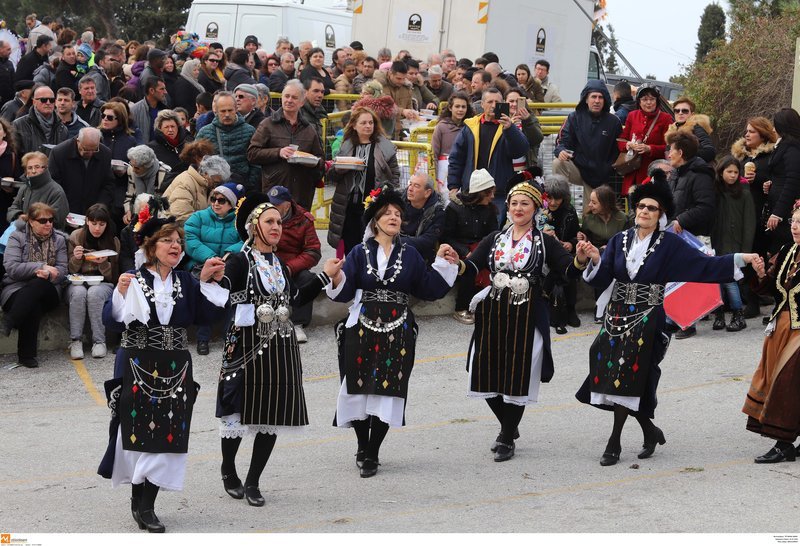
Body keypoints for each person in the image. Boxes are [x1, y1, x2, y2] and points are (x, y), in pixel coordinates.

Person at [575, 178, 762, 466]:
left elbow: (704, 265)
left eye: (652, 208)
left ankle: (614, 443)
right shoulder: (619, 240)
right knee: (612, 372)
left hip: (648, 318)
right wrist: (594, 259)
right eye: (641, 206)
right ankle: (650, 431)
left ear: (660, 214)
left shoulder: (669, 244)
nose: (644, 211)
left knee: (629, 375)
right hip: (616, 317)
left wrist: (741, 258)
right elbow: (602, 278)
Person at [98, 213, 227, 533]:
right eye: (167, 240)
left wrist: (209, 281)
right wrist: (120, 292)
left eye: (178, 241)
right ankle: (137, 497)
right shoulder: (133, 278)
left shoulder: (186, 281)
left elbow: (207, 317)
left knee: (168, 434)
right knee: (136, 433)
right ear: (150, 246)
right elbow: (112, 322)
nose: (175, 245)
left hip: (175, 367)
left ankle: (148, 506)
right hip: (137, 364)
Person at [326, 184, 459, 477]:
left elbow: (428, 288)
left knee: (389, 391)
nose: (394, 217)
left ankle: (373, 452)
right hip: (361, 327)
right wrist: (335, 277)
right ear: (375, 220)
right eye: (387, 213)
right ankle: (362, 445)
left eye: (398, 214)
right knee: (357, 389)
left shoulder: (410, 254)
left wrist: (444, 263)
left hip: (398, 328)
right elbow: (345, 292)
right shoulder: (359, 253)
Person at [215, 193, 339, 504]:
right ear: (253, 226)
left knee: (271, 414)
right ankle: (228, 469)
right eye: (269, 221)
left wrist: (325, 276)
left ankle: (253, 481)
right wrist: (213, 280)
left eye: (279, 223)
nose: (276, 227)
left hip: (280, 348)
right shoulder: (239, 260)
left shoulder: (280, 264)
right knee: (236, 411)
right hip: (245, 346)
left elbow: (294, 299)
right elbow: (221, 293)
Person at [459, 174, 592, 462]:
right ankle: (509, 425)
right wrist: (455, 262)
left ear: (535, 208)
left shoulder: (545, 242)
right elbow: (472, 266)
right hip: (494, 311)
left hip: (528, 312)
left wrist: (581, 259)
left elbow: (568, 271)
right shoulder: (495, 238)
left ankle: (507, 436)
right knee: (482, 369)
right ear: (507, 207)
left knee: (519, 374)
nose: (518, 208)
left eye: (525, 204)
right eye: (514, 203)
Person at [744, 202, 800, 463]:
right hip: (781, 326)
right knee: (784, 381)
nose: (796, 227)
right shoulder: (787, 250)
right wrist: (760, 274)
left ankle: (783, 443)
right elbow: (772, 289)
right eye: (794, 222)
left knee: (786, 382)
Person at [0, 202, 68, 368]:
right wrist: (41, 267)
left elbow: (63, 270)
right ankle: (26, 355)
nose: (48, 224)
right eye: (43, 221)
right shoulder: (17, 237)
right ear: (31, 221)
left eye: (51, 220)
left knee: (39, 283)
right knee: (32, 303)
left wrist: (49, 274)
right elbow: (12, 268)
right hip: (16, 287)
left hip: (49, 290)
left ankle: (10, 321)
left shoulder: (59, 239)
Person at [447, 87, 530, 221]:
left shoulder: (509, 126)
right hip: (472, 190)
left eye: (497, 102)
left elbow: (520, 151)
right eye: (490, 102)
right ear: (482, 104)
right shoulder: (470, 127)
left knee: (494, 228)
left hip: (498, 192)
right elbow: (457, 158)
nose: (493, 105)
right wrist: (453, 185)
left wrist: (510, 129)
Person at [327, 105, 399, 256]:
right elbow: (332, 176)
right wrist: (341, 168)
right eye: (363, 123)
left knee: (372, 249)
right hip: (348, 207)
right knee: (350, 249)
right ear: (354, 125)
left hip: (373, 208)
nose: (368, 126)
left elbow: (394, 176)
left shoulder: (385, 147)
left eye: (371, 122)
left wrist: (388, 195)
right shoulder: (346, 146)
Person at [184, 182, 244, 354]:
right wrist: (211, 257)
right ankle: (203, 338)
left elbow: (246, 240)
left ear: (231, 204)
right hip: (201, 263)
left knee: (232, 286)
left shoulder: (239, 221)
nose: (216, 203)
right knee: (206, 288)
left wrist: (228, 254)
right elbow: (190, 239)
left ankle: (229, 335)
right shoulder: (198, 217)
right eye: (213, 199)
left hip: (228, 263)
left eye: (222, 200)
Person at [246, 80, 324, 210]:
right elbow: (252, 153)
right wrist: (278, 152)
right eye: (286, 96)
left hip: (302, 192)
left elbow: (320, 158)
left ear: (302, 102)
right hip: (274, 190)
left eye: (294, 97)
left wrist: (313, 162)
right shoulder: (268, 124)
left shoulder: (309, 129)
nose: (289, 100)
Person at [731, 116, 778, 318]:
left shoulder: (771, 157)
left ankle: (762, 296)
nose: (747, 134)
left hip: (763, 214)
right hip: (741, 213)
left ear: (763, 134)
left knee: (761, 256)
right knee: (746, 254)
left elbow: (777, 182)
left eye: (752, 131)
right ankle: (751, 299)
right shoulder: (740, 157)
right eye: (746, 131)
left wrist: (759, 179)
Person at [267, 185, 322, 343]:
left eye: (276, 205)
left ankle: (298, 324)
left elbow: (313, 251)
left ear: (287, 205)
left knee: (308, 279)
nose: (272, 207)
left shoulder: (304, 220)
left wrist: (290, 267)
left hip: (292, 266)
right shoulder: (262, 217)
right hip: (267, 264)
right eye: (270, 203)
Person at [552, 80, 621, 204]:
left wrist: (607, 169)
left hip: (601, 175)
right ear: (586, 99)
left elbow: (618, 150)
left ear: (605, 100)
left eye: (600, 97)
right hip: (579, 168)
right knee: (558, 163)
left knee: (591, 212)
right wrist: (561, 150)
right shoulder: (574, 117)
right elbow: (562, 140)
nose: (597, 101)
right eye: (593, 96)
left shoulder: (614, 122)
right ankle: (561, 204)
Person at [443, 168, 498, 325]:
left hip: (481, 247)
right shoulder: (454, 208)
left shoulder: (490, 209)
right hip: (458, 249)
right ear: (479, 193)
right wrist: (465, 251)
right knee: (468, 268)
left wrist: (482, 250)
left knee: (491, 265)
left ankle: (484, 306)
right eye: (489, 193)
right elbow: (446, 236)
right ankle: (461, 308)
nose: (492, 196)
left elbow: (494, 234)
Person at [67, 203, 120, 359]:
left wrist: (103, 263)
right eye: (94, 223)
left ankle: (99, 341)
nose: (97, 228)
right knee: (78, 293)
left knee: (95, 293)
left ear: (107, 224)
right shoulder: (76, 236)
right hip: (78, 281)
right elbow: (69, 270)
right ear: (87, 221)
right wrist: (76, 258)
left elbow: (114, 277)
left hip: (102, 283)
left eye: (102, 224)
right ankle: (76, 340)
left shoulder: (113, 241)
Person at [710, 156, 755, 332]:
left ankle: (738, 314)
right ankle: (719, 314)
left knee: (729, 279)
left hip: (735, 243)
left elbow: (749, 224)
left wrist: (746, 250)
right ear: (721, 172)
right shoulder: (714, 192)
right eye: (729, 171)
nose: (733, 175)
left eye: (736, 172)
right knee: (717, 280)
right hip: (716, 242)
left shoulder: (744, 193)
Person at [195, 91, 260, 192]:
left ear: (236, 109)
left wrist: (249, 184)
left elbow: (256, 161)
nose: (227, 114)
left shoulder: (249, 131)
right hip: (214, 189)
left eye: (230, 110)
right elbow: (196, 160)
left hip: (243, 188)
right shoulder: (204, 132)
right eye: (223, 111)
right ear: (216, 111)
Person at [541, 174, 581, 333]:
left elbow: (576, 234)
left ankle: (571, 308)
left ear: (563, 197)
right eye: (549, 197)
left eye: (557, 198)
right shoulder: (539, 210)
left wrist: (571, 244)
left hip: (563, 253)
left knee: (570, 268)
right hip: (543, 252)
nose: (552, 202)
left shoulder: (570, 211)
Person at [616, 85, 673, 196]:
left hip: (652, 172)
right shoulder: (632, 115)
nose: (648, 103)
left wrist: (650, 148)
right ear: (639, 101)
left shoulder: (665, 118)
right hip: (632, 170)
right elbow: (621, 139)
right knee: (631, 202)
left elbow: (669, 147)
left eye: (652, 99)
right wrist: (628, 145)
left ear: (657, 101)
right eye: (644, 99)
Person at [764, 108, 800, 255]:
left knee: (781, 251)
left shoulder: (793, 149)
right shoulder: (784, 146)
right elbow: (781, 175)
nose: (773, 129)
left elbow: (792, 181)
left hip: (785, 213)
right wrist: (771, 183)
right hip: (777, 206)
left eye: (776, 126)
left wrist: (777, 213)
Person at [6, 151, 69, 230]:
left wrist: (29, 219)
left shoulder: (56, 191)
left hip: (46, 235)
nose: (33, 171)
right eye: (29, 168)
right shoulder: (24, 187)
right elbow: (12, 208)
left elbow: (57, 220)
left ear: (45, 168)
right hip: (22, 231)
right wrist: (19, 216)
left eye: (37, 167)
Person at [163, 154, 230, 225]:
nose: (215, 186)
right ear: (206, 173)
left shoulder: (207, 186)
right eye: (215, 182)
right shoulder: (185, 183)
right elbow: (181, 216)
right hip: (173, 227)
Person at [401, 173, 445, 263]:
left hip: (422, 259)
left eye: (416, 186)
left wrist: (395, 241)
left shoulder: (437, 212)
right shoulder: (398, 203)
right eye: (410, 184)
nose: (410, 189)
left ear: (427, 193)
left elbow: (427, 241)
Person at [13, 84, 68, 156]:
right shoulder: (18, 125)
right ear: (34, 102)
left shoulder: (62, 128)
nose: (48, 103)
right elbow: (14, 155)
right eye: (43, 100)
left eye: (51, 100)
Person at [578, 185, 629, 252]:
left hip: (618, 252)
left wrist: (610, 247)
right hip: (595, 253)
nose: (589, 205)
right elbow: (586, 240)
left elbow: (628, 240)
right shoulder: (588, 219)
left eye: (594, 203)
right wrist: (584, 238)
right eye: (590, 201)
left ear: (605, 204)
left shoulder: (622, 218)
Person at [664, 97, 715, 164]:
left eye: (685, 111)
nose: (680, 113)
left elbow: (710, 152)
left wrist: (684, 155)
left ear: (692, 114)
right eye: (677, 111)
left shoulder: (696, 128)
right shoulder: (672, 130)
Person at [506, 86, 543, 169]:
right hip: (506, 168)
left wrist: (527, 121)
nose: (514, 104)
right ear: (505, 102)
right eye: (511, 101)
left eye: (518, 101)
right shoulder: (500, 120)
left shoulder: (530, 118)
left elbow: (537, 139)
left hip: (525, 168)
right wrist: (509, 126)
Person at [130, 77, 167, 144]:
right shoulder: (134, 110)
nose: (165, 92)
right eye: (162, 89)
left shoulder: (165, 109)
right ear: (151, 90)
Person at [0, 118, 20, 233]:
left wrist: (11, 186)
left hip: (4, 205)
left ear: (4, 133)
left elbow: (18, 179)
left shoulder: (12, 155)